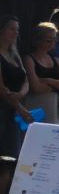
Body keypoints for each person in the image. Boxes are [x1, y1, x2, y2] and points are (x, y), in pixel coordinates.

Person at [22, 22, 59, 127]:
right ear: (38, 40)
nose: (52, 43)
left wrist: (49, 81)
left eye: (54, 40)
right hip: (34, 105)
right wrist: (58, 86)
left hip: (52, 106)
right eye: (48, 40)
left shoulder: (57, 61)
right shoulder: (29, 59)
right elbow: (36, 88)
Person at [0, 16, 31, 156]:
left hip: (17, 109)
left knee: (16, 154)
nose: (16, 33)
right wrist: (20, 108)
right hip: (5, 110)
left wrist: (20, 94)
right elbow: (1, 88)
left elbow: (26, 80)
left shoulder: (15, 54)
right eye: (11, 29)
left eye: (17, 29)